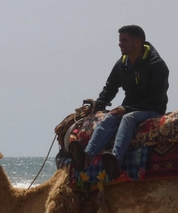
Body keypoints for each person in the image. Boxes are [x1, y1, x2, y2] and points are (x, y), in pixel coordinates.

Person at [69, 25, 169, 180]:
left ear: (138, 42)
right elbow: (110, 88)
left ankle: (115, 161)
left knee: (128, 118)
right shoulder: (122, 64)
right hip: (129, 108)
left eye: (124, 40)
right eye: (120, 40)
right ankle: (86, 157)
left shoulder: (156, 65)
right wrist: (98, 106)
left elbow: (156, 99)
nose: (120, 44)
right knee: (109, 117)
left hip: (152, 108)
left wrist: (126, 109)